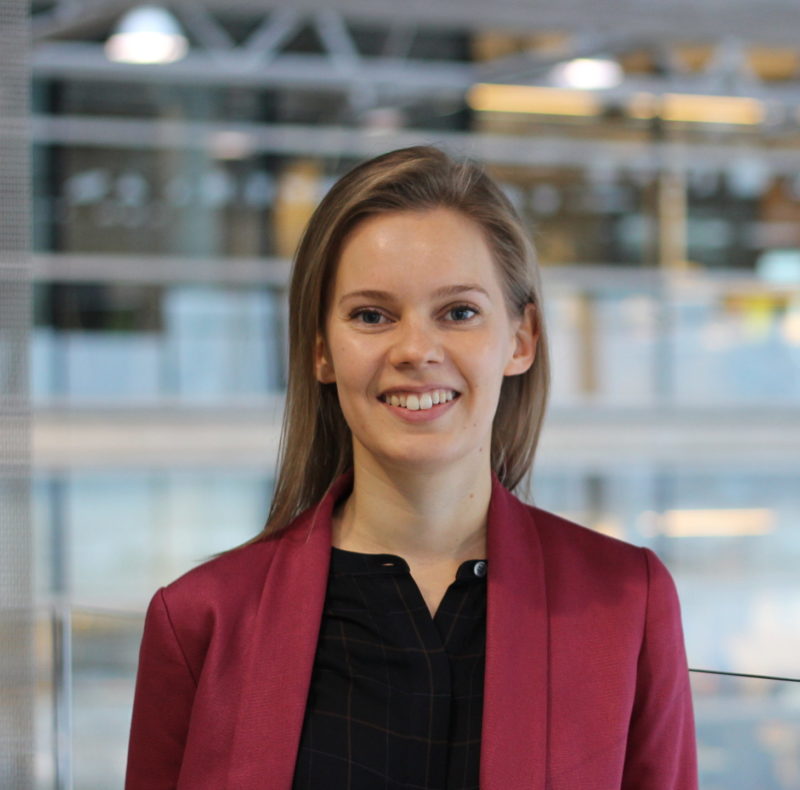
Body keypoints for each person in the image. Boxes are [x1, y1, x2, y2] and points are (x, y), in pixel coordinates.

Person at [126, 146, 698, 789]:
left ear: (521, 339)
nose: (416, 350)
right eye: (372, 316)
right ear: (321, 349)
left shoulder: (625, 603)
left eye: (459, 312)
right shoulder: (200, 619)